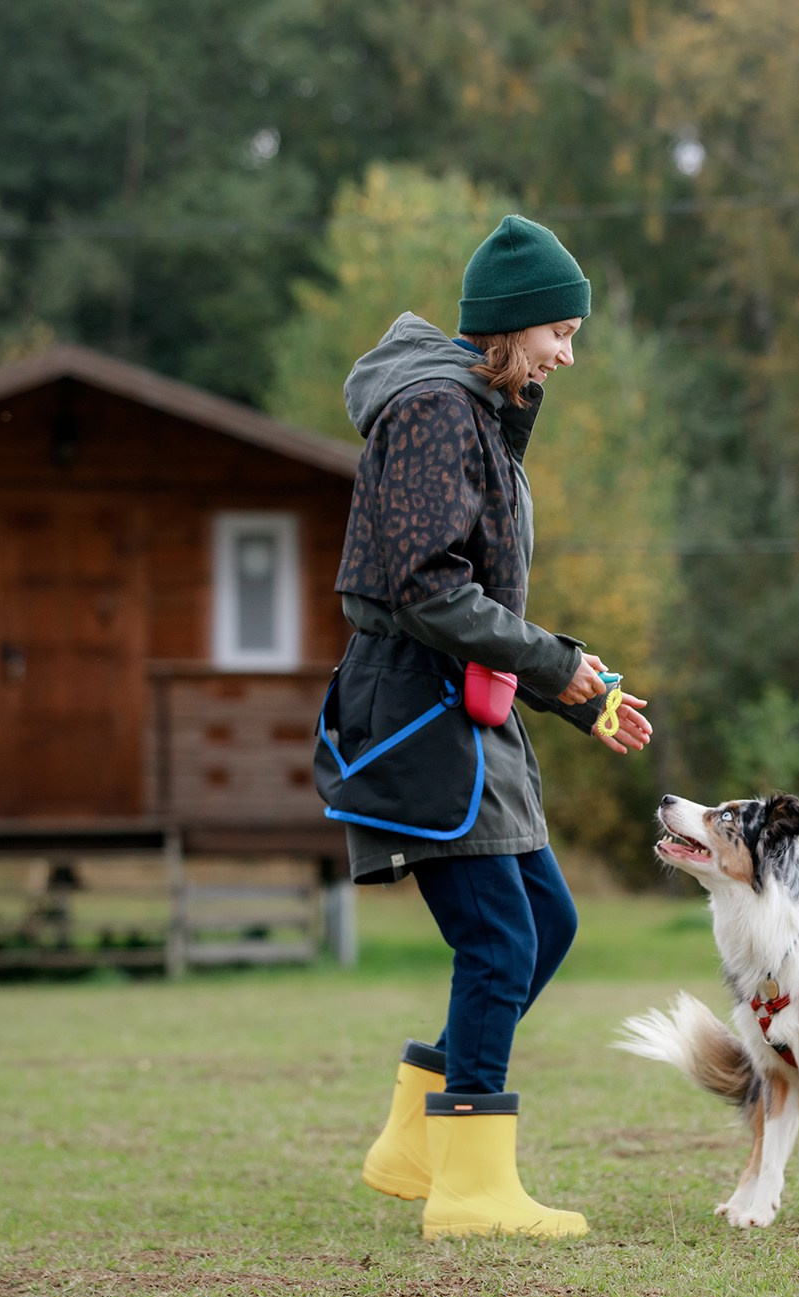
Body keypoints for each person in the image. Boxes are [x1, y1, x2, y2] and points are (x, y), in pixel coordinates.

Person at [320, 214, 652, 1240]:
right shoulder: (430, 412)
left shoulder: (477, 412)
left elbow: (474, 594)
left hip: (465, 708)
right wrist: (552, 663)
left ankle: (419, 1139)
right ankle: (469, 1188)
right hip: (415, 710)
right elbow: (427, 589)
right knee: (499, 937)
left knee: (543, 923)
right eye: (557, 330)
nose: (566, 353)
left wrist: (574, 687)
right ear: (506, 329)